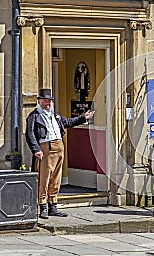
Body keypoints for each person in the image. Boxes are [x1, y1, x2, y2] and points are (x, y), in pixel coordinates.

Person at [25, 88, 95, 219]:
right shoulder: (34, 116)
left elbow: (68, 122)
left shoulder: (55, 115)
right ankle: (43, 206)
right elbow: (30, 134)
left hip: (59, 146)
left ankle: (53, 205)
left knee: (56, 178)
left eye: (49, 101)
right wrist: (36, 150)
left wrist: (83, 118)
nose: (47, 103)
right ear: (39, 101)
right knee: (43, 178)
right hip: (46, 147)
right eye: (45, 101)